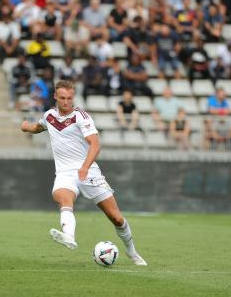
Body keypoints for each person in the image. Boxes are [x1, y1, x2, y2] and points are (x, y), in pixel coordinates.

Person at [20, 80, 147, 266]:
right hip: (65, 173)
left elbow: (95, 144)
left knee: (116, 218)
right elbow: (37, 127)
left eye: (69, 98)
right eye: (62, 98)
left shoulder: (81, 117)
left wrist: (85, 167)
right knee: (64, 199)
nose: (66, 102)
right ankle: (69, 236)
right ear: (55, 96)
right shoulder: (49, 116)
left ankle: (132, 251)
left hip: (89, 171)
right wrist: (26, 126)